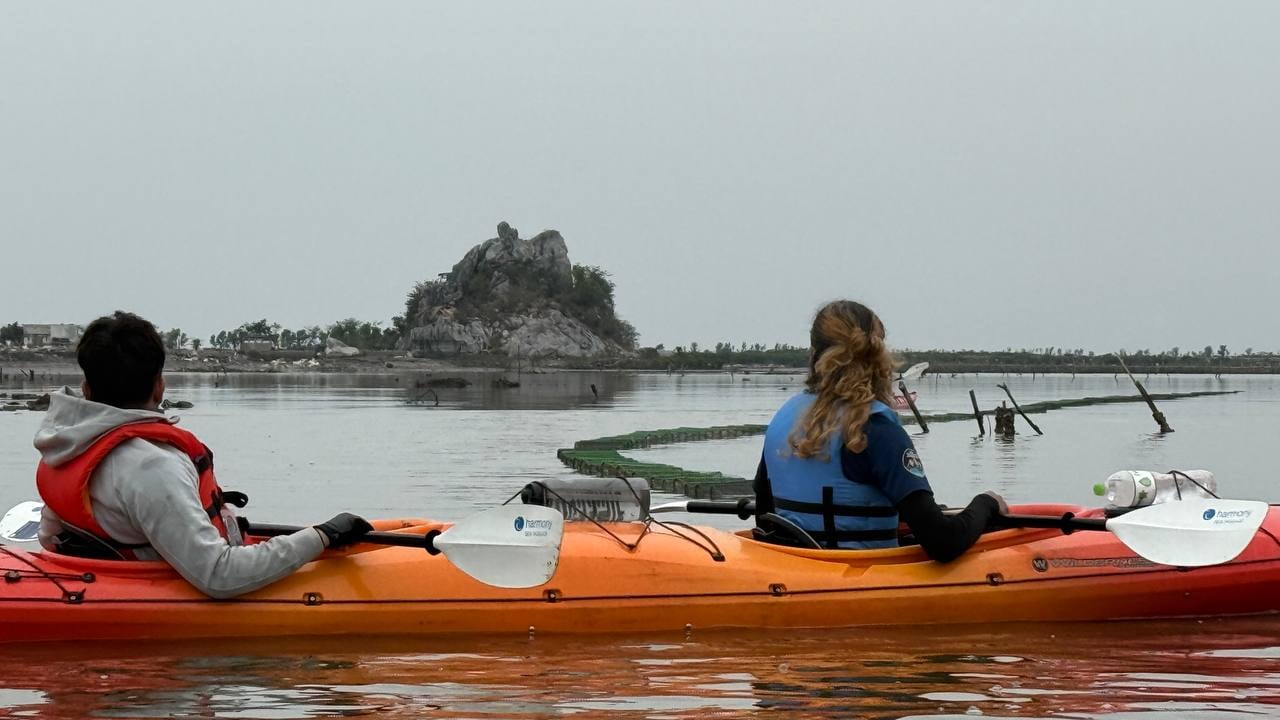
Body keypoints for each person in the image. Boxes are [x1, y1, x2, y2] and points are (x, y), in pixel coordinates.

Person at [33, 311, 373, 598]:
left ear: (86, 389)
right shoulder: (151, 466)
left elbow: (50, 535)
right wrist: (321, 535)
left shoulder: (71, 443)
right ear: (159, 386)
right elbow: (218, 575)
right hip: (149, 594)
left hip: (97, 574)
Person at [753, 300, 1006, 561]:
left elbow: (765, 516)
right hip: (859, 581)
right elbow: (943, 542)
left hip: (792, 571)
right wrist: (986, 504)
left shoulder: (784, 418)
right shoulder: (875, 428)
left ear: (814, 354)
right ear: (879, 356)